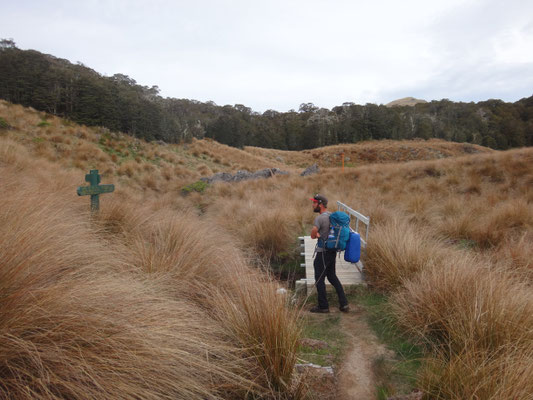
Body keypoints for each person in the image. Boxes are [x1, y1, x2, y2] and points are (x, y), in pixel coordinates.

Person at [309, 194, 349, 313]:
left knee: (319, 278)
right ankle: (344, 303)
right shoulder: (332, 216)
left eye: (315, 203)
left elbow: (312, 234)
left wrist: (317, 234)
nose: (313, 205)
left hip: (322, 253)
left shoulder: (319, 218)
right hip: (332, 251)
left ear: (320, 204)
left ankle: (323, 306)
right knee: (332, 276)